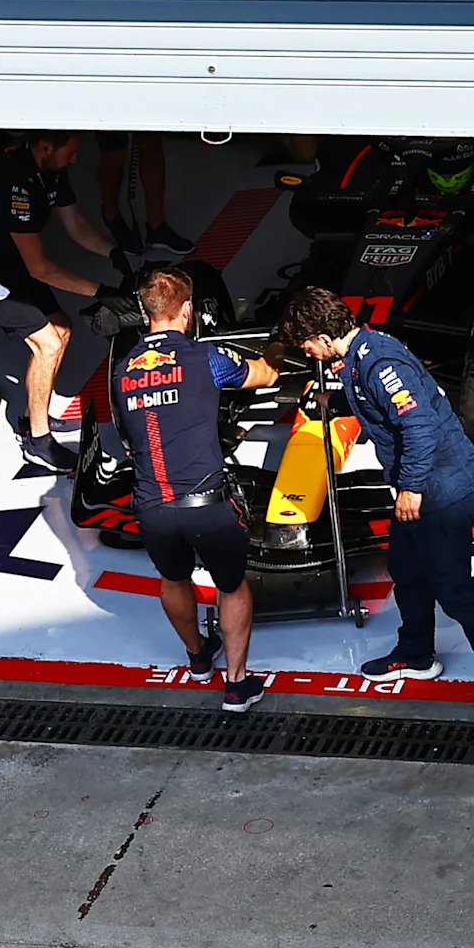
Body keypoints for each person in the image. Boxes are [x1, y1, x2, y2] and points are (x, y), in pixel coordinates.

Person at [281, 285, 474, 726]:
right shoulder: (363, 357)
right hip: (423, 487)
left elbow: (418, 427)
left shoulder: (379, 363)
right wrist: (336, 401)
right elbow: (376, 400)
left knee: (452, 587)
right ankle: (417, 652)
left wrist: (411, 488)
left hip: (440, 490)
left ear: (324, 337)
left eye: (306, 346)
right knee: (408, 571)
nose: (307, 355)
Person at [113, 268, 276, 712]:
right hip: (206, 503)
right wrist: (273, 356)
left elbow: (129, 439)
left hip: (152, 506)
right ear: (187, 310)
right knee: (232, 585)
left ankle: (199, 658)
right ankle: (238, 685)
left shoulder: (123, 370)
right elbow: (261, 376)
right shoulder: (205, 357)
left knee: (173, 578)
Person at [0, 132, 121, 471]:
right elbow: (40, 269)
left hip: (10, 260)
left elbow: (76, 225)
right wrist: (102, 291)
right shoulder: (13, 181)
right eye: (70, 152)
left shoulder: (50, 169)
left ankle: (32, 417)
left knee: (63, 328)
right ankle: (38, 443)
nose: (75, 159)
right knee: (48, 344)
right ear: (46, 147)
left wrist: (114, 252)